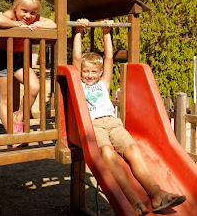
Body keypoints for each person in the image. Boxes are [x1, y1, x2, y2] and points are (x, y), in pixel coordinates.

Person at [72, 18, 186, 215]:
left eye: (93, 72)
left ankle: (156, 194)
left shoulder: (103, 84)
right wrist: (78, 32)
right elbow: (75, 59)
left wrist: (107, 32)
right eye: (85, 71)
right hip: (94, 126)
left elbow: (109, 58)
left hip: (112, 122)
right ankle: (131, 196)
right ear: (81, 72)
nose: (89, 75)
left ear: (99, 73)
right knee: (107, 152)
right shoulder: (79, 85)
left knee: (133, 149)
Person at [0, 0, 56, 135]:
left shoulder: (32, 19)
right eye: (24, 11)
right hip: (3, 57)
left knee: (34, 87)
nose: (28, 15)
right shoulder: (10, 15)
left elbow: (53, 25)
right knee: (5, 99)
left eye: (33, 12)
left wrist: (31, 25)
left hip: (19, 59)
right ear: (16, 7)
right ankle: (12, 133)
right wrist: (17, 25)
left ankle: (18, 118)